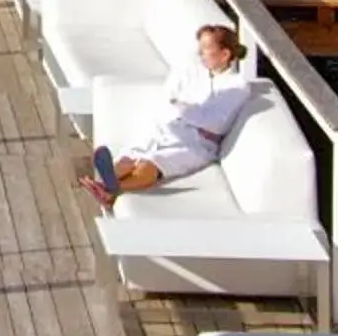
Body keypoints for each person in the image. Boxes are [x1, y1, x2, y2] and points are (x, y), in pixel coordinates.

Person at [81, 23, 251, 208]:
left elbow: (215, 123)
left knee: (152, 163)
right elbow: (169, 98)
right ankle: (105, 182)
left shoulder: (237, 86)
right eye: (200, 48)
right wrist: (180, 109)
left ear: (225, 54)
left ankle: (114, 189)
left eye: (205, 50)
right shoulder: (192, 72)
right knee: (131, 157)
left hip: (197, 144)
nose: (200, 54)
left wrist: (182, 108)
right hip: (169, 130)